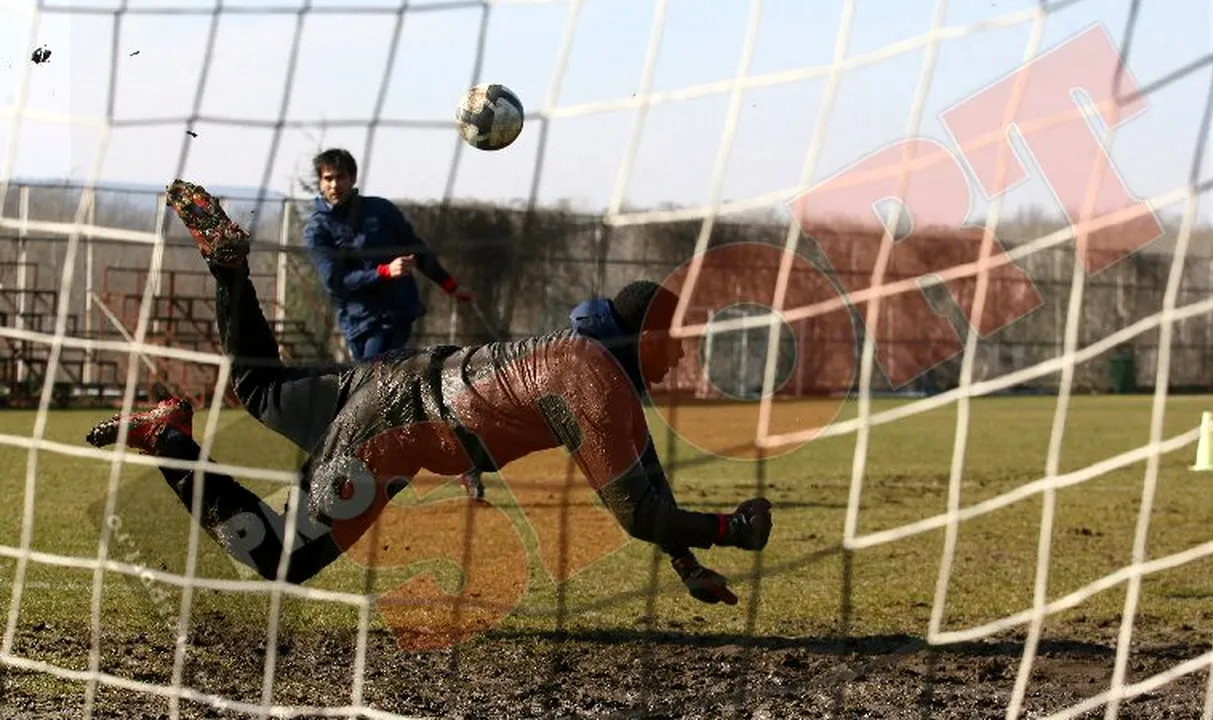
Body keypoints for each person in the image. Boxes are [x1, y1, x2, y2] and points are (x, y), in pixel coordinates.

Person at [85, 179, 773, 607]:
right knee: (277, 558)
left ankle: (228, 271)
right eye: (676, 337)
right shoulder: (595, 384)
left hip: (396, 378)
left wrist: (688, 561)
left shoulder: (591, 363)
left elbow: (647, 486)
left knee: (258, 387)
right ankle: (166, 438)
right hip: (395, 427)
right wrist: (732, 532)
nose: (682, 352)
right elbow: (637, 514)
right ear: (645, 333)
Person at [303, 148, 475, 360]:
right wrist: (383, 272)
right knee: (366, 385)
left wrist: (451, 287)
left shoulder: (381, 210)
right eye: (328, 178)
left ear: (353, 178)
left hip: (394, 314)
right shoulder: (317, 229)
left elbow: (417, 250)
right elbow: (334, 281)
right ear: (320, 182)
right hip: (355, 321)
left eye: (341, 177)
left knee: (374, 377)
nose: (335, 185)